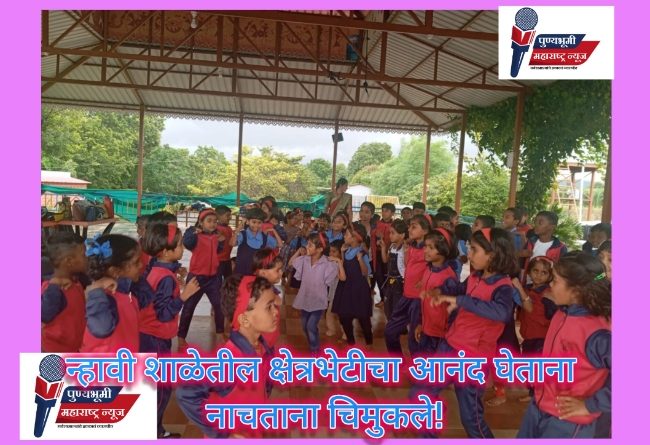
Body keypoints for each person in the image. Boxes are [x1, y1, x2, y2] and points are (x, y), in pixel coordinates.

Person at [420, 227, 518, 438]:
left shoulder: (503, 286)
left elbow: (501, 313)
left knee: (470, 417)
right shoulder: (476, 275)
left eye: (474, 249)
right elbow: (458, 289)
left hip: (473, 357)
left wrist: (461, 301)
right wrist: (441, 291)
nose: (469, 254)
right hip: (450, 346)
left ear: (493, 254)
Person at [517, 252, 610, 438]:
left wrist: (590, 405)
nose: (550, 285)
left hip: (567, 422)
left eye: (555, 281)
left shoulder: (597, 333)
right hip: (540, 406)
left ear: (576, 290)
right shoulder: (563, 313)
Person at [175, 275, 278, 438]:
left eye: (274, 305)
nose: (276, 311)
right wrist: (223, 435)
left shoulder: (264, 348)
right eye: (269, 307)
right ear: (244, 319)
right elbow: (185, 394)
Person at [140, 223, 201, 439]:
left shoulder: (157, 269)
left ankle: (153, 429)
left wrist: (176, 272)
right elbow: (164, 314)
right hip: (155, 338)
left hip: (149, 336)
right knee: (161, 389)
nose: (183, 248)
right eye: (180, 245)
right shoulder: (165, 278)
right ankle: (153, 432)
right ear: (166, 252)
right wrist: (184, 295)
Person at [81, 234, 144, 353]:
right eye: (136, 263)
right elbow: (101, 329)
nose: (141, 265)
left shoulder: (124, 293)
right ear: (115, 271)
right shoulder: (105, 299)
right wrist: (95, 290)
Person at [178, 208, 227, 350]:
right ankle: (181, 337)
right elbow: (187, 242)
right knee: (188, 308)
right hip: (196, 278)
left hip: (214, 277)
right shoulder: (195, 236)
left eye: (215, 221)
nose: (212, 224)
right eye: (209, 221)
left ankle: (220, 333)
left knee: (219, 306)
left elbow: (218, 251)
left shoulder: (216, 236)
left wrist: (221, 242)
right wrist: (193, 230)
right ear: (201, 222)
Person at [384, 214, 431, 355]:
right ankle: (398, 362)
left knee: (414, 340)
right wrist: (406, 251)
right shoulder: (411, 246)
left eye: (414, 227)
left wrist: (424, 281)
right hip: (406, 296)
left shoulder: (430, 249)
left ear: (425, 230)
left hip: (419, 299)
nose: (409, 229)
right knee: (390, 331)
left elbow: (436, 269)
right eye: (409, 226)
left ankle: (418, 367)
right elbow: (407, 266)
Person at [511, 256, 556, 403]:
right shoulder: (529, 289)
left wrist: (519, 288)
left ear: (550, 275)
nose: (539, 275)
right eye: (535, 271)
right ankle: (534, 393)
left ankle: (538, 395)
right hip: (528, 335)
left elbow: (530, 308)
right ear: (529, 272)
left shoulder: (547, 293)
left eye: (544, 272)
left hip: (541, 337)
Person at [290, 233, 343, 353]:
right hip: (305, 299)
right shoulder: (304, 260)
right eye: (307, 244)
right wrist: (298, 252)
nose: (306, 247)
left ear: (319, 249)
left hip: (318, 301)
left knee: (310, 326)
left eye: (310, 245)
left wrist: (338, 262)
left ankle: (315, 349)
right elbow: (291, 263)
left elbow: (338, 276)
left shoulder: (327, 264)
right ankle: (313, 340)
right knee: (305, 326)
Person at [414, 228, 459, 355]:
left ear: (444, 250)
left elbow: (453, 309)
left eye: (431, 247)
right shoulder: (428, 270)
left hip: (440, 334)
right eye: (425, 246)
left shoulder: (448, 277)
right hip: (427, 329)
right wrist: (421, 323)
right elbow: (424, 302)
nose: (425, 250)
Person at [41, 232, 88, 352]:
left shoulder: (75, 282)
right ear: (69, 261)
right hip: (55, 353)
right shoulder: (54, 289)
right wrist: (53, 288)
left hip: (74, 349)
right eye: (84, 255)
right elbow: (43, 317)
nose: (87, 258)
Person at [233, 248, 284, 348]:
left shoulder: (270, 289)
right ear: (263, 272)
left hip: (268, 339)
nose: (281, 272)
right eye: (278, 270)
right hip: (260, 341)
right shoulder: (254, 293)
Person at [333, 222, 374, 347]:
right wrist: (342, 253)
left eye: (347, 234)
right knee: (344, 316)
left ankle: (369, 341)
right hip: (346, 287)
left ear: (355, 238)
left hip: (359, 289)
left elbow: (366, 272)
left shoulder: (361, 252)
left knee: (363, 317)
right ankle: (350, 341)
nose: (344, 236)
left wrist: (360, 259)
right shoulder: (347, 250)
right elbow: (344, 267)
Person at [521, 211, 568, 281]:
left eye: (540, 223)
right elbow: (522, 263)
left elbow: (562, 272)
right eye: (535, 222)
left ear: (552, 227)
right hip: (528, 284)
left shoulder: (560, 248)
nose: (536, 225)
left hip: (547, 286)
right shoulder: (531, 242)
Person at [232, 207, 278, 275]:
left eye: (259, 222)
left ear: (262, 223)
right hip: (241, 273)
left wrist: (274, 231)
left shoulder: (265, 236)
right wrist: (237, 231)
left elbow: (278, 245)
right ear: (247, 221)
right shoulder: (243, 234)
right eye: (253, 222)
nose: (256, 225)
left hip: (257, 274)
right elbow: (232, 244)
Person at [378, 219, 408, 321]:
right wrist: (383, 248)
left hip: (400, 281)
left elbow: (407, 265)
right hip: (390, 280)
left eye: (393, 233)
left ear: (402, 235)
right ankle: (391, 323)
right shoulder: (392, 246)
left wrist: (406, 252)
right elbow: (385, 260)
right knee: (388, 306)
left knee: (397, 306)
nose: (390, 235)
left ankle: (398, 325)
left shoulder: (405, 248)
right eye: (389, 233)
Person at [374, 203, 396, 307]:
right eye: (383, 210)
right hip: (378, 254)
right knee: (379, 276)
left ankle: (389, 299)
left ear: (392, 213)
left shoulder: (395, 225)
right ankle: (383, 298)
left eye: (387, 211)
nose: (384, 212)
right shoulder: (376, 224)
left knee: (389, 277)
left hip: (391, 255)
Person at [325, 240, 344, 337]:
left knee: (341, 314)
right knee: (330, 312)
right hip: (333, 292)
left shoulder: (341, 264)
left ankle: (345, 332)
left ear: (340, 253)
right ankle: (332, 329)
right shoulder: (331, 263)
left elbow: (342, 277)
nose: (331, 254)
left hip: (341, 293)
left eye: (334, 251)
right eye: (330, 251)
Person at [214, 205, 234, 281]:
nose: (230, 218)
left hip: (227, 259)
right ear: (218, 216)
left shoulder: (229, 228)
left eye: (230, 215)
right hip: (218, 261)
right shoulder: (216, 229)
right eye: (227, 215)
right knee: (217, 281)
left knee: (229, 280)